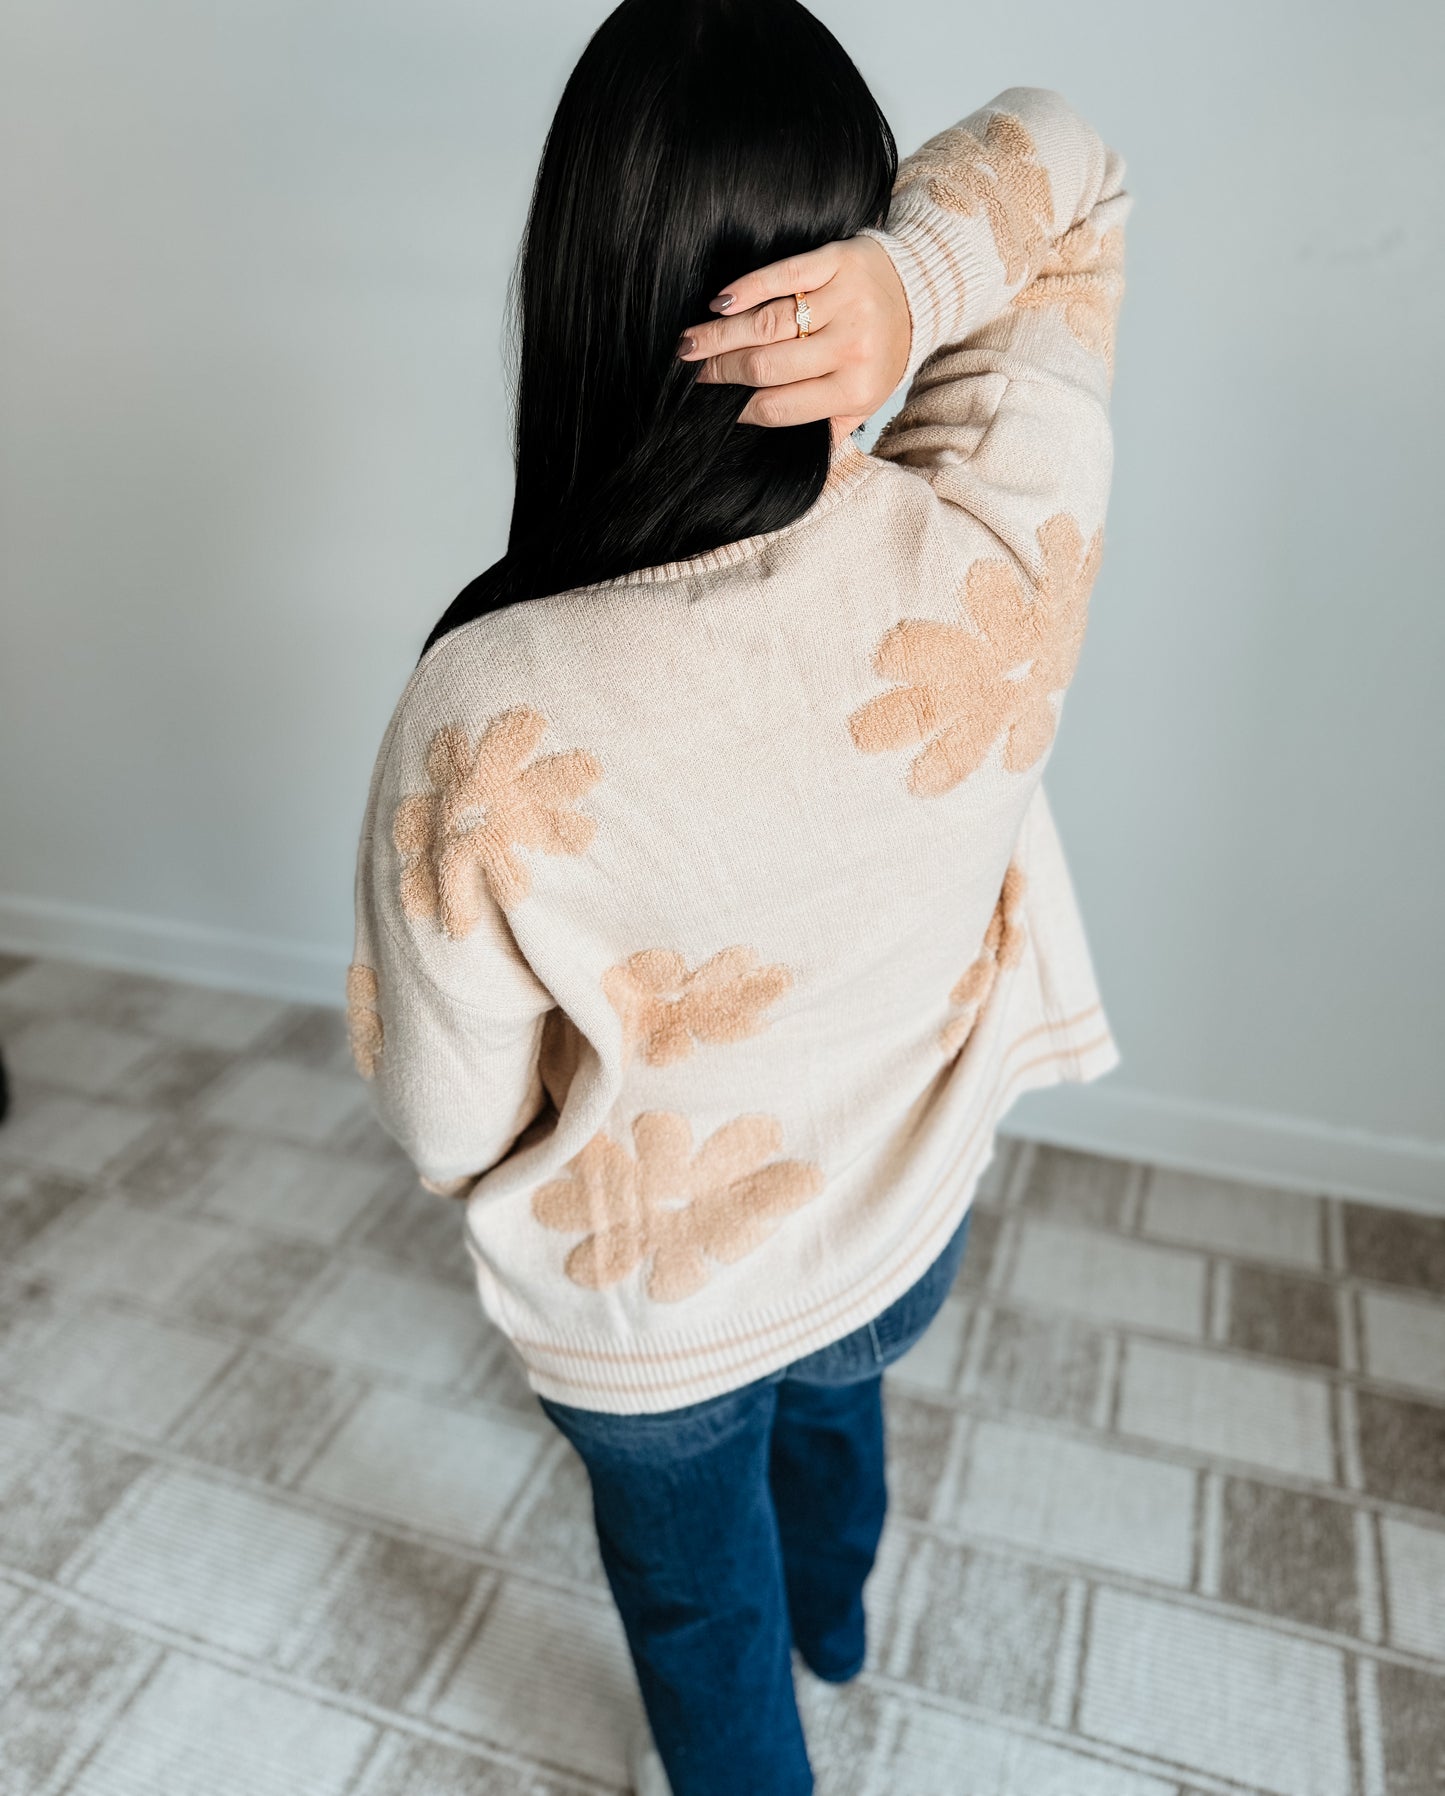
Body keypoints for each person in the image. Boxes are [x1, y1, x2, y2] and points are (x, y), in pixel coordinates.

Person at [347, 2, 1131, 1790]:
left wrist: (497, 1166)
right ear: (849, 238)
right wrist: (917, 283)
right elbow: (1071, 170)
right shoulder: (998, 527)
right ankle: (841, 1620)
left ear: (581, 282)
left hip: (655, 1322)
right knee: (839, 1407)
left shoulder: (489, 704)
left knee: (697, 1616)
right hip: (899, 1218)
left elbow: (444, 1108)